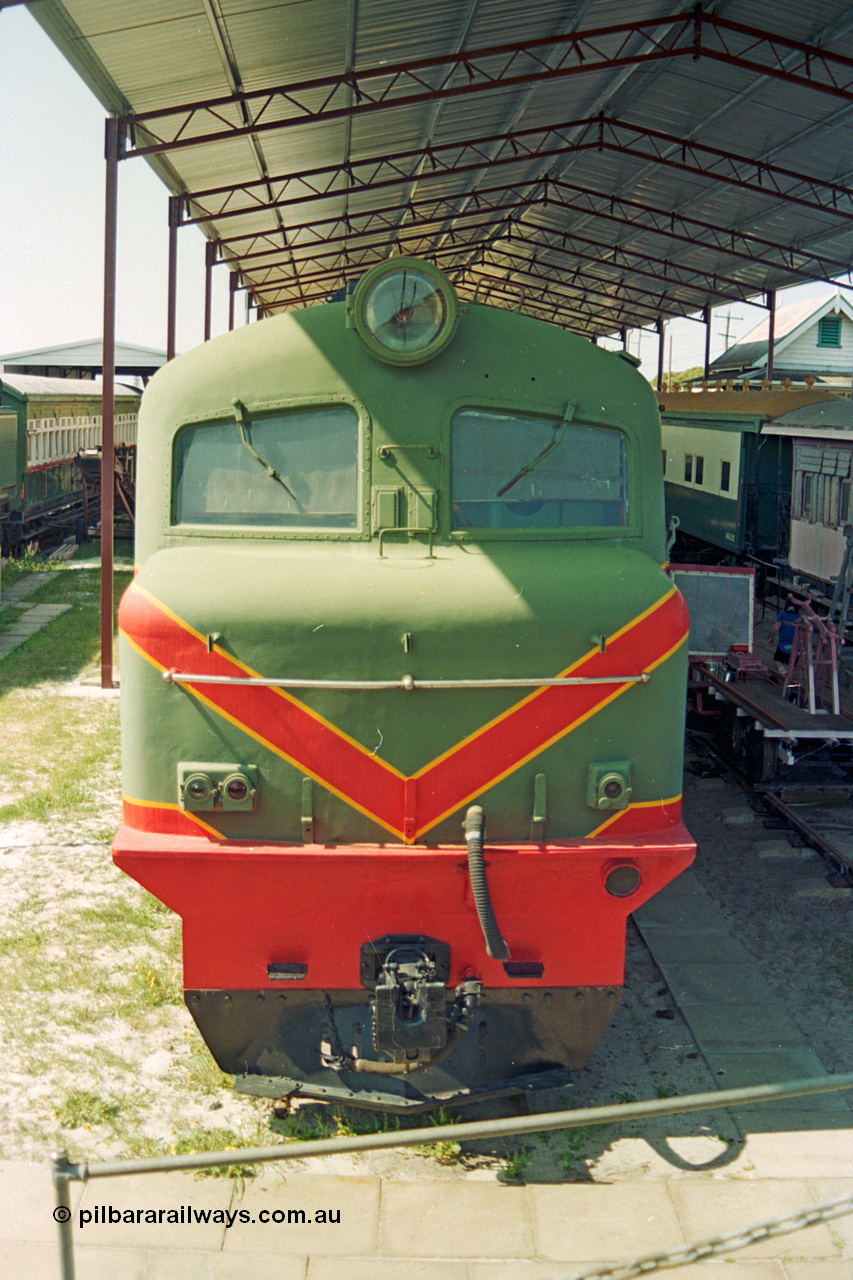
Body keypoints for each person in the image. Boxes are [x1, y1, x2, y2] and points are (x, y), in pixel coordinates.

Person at [770, 596, 806, 669]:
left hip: (783, 645)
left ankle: (782, 672)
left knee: (777, 660)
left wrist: (771, 637)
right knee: (790, 665)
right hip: (796, 646)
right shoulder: (799, 618)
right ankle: (787, 675)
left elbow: (776, 627)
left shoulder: (782, 616)